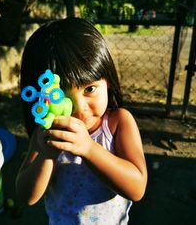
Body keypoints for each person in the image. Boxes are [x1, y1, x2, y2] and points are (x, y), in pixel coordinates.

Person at [16, 17, 147, 225]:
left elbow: (137, 188)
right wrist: (47, 154)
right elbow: (26, 196)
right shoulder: (47, 132)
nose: (80, 108)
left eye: (89, 89)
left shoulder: (117, 123)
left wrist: (88, 148)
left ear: (108, 81)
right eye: (62, 95)